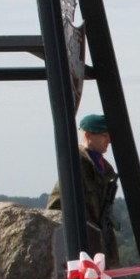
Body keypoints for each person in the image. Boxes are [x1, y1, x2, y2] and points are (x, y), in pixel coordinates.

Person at [47, 113, 120, 265]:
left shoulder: (104, 169)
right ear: (88, 135)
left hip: (100, 246)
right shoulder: (75, 163)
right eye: (103, 135)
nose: (109, 141)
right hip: (81, 248)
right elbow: (55, 207)